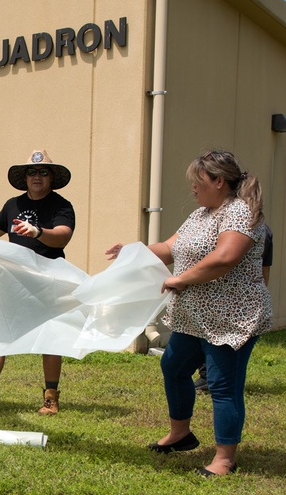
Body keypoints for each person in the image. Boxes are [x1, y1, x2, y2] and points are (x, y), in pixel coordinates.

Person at [106, 149, 272, 477]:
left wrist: (180, 278)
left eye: (198, 182)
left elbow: (225, 257)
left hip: (230, 317)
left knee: (223, 384)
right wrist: (133, 252)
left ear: (220, 182)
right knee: (174, 366)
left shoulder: (239, 212)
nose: (193, 189)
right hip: (194, 317)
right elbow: (169, 248)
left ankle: (225, 458)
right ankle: (180, 434)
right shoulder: (201, 214)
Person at [0, 149, 75, 416]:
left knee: (50, 338)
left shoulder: (61, 206)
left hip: (47, 280)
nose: (37, 176)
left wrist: (39, 232)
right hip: (11, 280)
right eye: (32, 172)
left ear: (51, 177)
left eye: (43, 172)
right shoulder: (13, 205)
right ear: (25, 177)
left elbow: (63, 236)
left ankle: (51, 398)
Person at [194, 223, 272, 392]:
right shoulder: (263, 228)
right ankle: (212, 378)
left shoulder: (245, 227)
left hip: (229, 303)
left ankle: (214, 380)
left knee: (223, 378)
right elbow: (265, 268)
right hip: (221, 302)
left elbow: (223, 261)